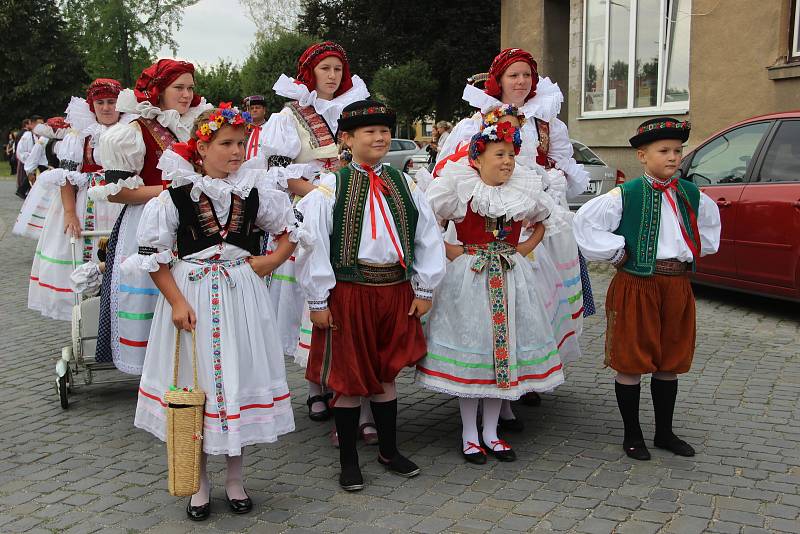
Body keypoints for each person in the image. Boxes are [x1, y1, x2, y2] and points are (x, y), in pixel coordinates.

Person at [124, 104, 304, 520]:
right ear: (202, 147)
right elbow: (154, 256)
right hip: (194, 295)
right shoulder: (175, 196)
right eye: (226, 144)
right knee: (196, 382)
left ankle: (235, 478)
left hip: (242, 294)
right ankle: (199, 482)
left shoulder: (255, 191)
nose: (237, 151)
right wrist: (177, 301)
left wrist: (269, 262)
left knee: (236, 378)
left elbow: (291, 230)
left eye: (241, 143)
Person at [295, 100, 446, 491]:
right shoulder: (330, 189)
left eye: (384, 131)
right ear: (346, 139)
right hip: (349, 292)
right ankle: (348, 461)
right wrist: (318, 301)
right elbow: (312, 247)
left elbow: (428, 236)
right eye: (369, 132)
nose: (379, 137)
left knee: (385, 375)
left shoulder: (406, 183)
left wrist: (425, 287)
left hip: (395, 291)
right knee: (348, 381)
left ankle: (389, 450)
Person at [433, 48, 589, 414]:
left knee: (533, 303)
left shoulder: (549, 122)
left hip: (535, 219)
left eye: (527, 76)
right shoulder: (475, 122)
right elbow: (453, 164)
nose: (520, 82)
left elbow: (565, 165)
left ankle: (524, 375)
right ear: (498, 80)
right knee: (489, 306)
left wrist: (552, 180)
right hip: (489, 221)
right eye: (513, 76)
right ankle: (487, 380)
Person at [417, 111, 565, 464]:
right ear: (477, 158)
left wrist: (523, 249)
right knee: (475, 351)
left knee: (504, 353)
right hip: (469, 279)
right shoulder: (459, 186)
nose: (508, 162)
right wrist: (450, 250)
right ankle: (470, 433)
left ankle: (491, 432)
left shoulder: (523, 188)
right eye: (499, 155)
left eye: (511, 155)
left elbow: (544, 222)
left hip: (511, 276)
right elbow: (428, 223)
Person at [573, 118, 721, 461]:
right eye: (664, 151)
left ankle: (665, 432)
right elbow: (585, 224)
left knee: (670, 358)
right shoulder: (626, 193)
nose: (673, 157)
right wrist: (617, 251)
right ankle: (632, 434)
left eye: (677, 151)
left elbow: (710, 229)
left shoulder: (692, 194)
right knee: (632, 360)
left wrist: (693, 253)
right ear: (642, 155)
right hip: (637, 283)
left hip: (676, 285)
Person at [261, 41, 369, 424]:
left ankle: (345, 381)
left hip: (350, 210)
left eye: (338, 69)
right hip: (309, 212)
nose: (333, 76)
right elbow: (280, 175)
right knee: (310, 299)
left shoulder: (352, 110)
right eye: (325, 68)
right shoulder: (289, 116)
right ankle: (314, 387)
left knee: (343, 296)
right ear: (309, 73)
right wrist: (325, 193)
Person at [92, 59, 211, 375]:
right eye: (179, 88)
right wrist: (169, 189)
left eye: (190, 88)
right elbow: (116, 193)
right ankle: (151, 373)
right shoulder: (132, 131)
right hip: (144, 223)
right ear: (159, 90)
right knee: (147, 296)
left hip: (186, 222)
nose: (186, 95)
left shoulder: (188, 125)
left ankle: (186, 367)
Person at [15, 116, 43, 198]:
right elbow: (20, 151)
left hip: (38, 162)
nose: (41, 126)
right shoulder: (27, 135)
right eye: (39, 124)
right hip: (29, 162)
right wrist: (29, 159)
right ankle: (22, 191)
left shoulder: (39, 136)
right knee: (29, 178)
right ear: (32, 124)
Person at [242, 94, 268, 160]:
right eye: (251, 108)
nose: (254, 110)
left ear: (264, 110)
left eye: (257, 107)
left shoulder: (271, 128)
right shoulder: (243, 129)